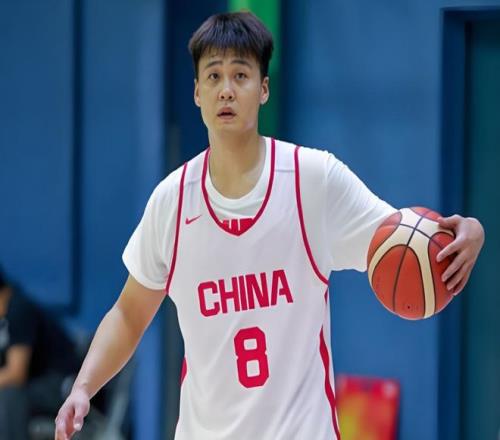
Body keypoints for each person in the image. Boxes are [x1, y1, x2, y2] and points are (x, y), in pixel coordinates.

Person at [54, 11, 485, 440]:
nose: (226, 89)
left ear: (263, 89)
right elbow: (129, 314)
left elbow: (402, 239)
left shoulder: (313, 180)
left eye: (240, 75)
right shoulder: (172, 202)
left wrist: (469, 230)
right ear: (197, 92)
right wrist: (83, 387)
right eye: (213, 76)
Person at [0, 267, 80, 440]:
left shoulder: (18, 308)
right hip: (36, 384)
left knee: (9, 396)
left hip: (61, 385)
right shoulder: (4, 318)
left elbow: (15, 374)